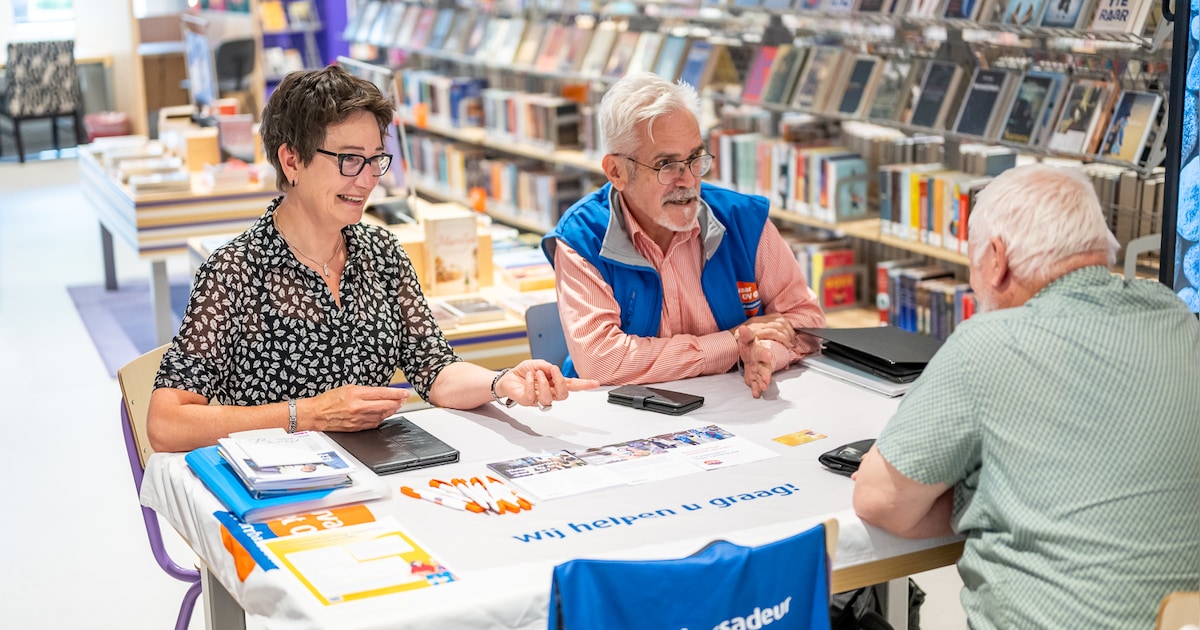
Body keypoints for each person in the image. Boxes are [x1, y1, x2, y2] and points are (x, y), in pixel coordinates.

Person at [147, 66, 598, 453]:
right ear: (292, 161)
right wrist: (308, 414)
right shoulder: (234, 271)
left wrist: (500, 383)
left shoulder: (381, 254)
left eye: (375, 160)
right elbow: (167, 424)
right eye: (348, 160)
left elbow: (435, 369)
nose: (366, 181)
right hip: (279, 488)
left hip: (378, 474)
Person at [852, 164, 1200, 629]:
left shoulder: (988, 344)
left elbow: (880, 500)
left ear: (996, 259)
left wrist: (977, 495)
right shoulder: (1176, 319)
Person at [542, 72, 825, 398]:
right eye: (666, 164)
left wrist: (764, 353)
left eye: (694, 159)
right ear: (617, 172)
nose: (687, 180)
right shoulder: (583, 237)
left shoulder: (743, 220)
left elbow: (807, 321)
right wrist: (730, 343)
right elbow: (602, 361)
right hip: (618, 418)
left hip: (735, 407)